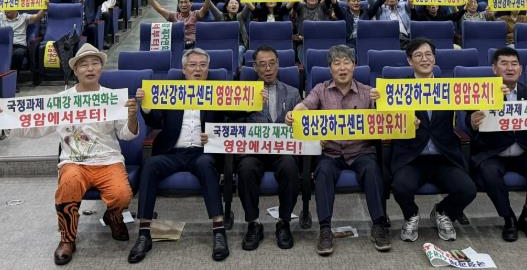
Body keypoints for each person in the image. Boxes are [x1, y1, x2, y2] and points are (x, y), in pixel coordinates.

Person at [5, 43, 139, 265]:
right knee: (68, 185)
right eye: (83, 65)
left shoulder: (112, 98)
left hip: (108, 159)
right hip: (74, 161)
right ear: (75, 70)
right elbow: (37, 127)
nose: (90, 68)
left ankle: (114, 218)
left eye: (95, 63)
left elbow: (127, 135)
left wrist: (132, 117)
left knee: (122, 195)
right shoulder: (61, 100)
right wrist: (7, 119)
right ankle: (67, 238)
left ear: (101, 68)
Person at [285, 45, 391, 255]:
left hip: (361, 150)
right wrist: (294, 114)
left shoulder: (368, 92)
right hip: (331, 152)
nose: (342, 68)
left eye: (346, 63)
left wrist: (384, 104)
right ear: (330, 68)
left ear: (354, 66)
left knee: (372, 170)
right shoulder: (321, 89)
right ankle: (325, 229)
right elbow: (305, 106)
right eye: (337, 63)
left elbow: (385, 120)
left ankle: (379, 225)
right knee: (323, 172)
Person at [128, 48, 231, 263]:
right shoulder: (171, 90)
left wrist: (213, 136)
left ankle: (219, 231)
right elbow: (155, 121)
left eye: (202, 65)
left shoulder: (218, 91)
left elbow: (233, 118)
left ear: (208, 69)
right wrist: (146, 106)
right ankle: (144, 234)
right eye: (192, 65)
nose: (197, 69)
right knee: (150, 165)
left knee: (206, 165)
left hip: (202, 152)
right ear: (184, 69)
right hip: (172, 151)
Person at [377, 38, 476, 242]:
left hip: (443, 157)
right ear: (409, 61)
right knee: (401, 187)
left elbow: (474, 107)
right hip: (411, 157)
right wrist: (400, 119)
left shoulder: (449, 88)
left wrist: (492, 101)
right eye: (418, 55)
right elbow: (384, 121)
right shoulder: (397, 89)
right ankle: (411, 215)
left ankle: (442, 212)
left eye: (428, 54)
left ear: (435, 58)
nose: (425, 59)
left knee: (468, 189)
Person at [468, 47, 527, 242]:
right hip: (493, 153)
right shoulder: (482, 92)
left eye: (514, 64)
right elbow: (469, 119)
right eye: (504, 64)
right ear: (494, 68)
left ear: (520, 70)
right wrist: (472, 121)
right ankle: (508, 218)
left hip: (525, 152)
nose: (510, 68)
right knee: (489, 173)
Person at [238, 47, 302, 250]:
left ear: (278, 64)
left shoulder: (293, 92)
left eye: (272, 63)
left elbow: (303, 125)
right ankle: (253, 224)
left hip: (282, 150)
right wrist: (248, 106)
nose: (268, 68)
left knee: (290, 166)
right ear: (255, 68)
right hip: (255, 150)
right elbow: (231, 119)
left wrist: (295, 119)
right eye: (262, 64)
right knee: (246, 168)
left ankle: (284, 222)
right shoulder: (244, 93)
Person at [53, 0, 118, 48]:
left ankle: (90, 49)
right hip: (73, 25)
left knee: (92, 27)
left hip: (86, 25)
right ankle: (71, 40)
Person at [147, 0, 212, 49]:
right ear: (178, 5)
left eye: (186, 2)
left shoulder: (195, 14)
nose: (183, 5)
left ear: (191, 4)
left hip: (193, 45)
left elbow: (205, 8)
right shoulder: (174, 16)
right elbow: (159, 9)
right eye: (181, 2)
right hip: (178, 44)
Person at [0, 3, 48, 83]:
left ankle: (12, 81)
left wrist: (44, 8)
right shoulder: (1, 16)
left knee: (18, 53)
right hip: (4, 45)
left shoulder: (24, 17)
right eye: (5, 7)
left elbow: (37, 17)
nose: (6, 10)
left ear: (16, 8)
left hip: (18, 46)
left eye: (9, 7)